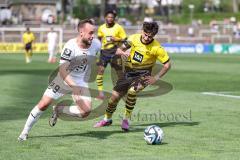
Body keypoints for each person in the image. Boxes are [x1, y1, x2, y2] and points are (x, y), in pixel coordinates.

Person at [18, 19, 101, 141]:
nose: (93, 36)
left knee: (86, 111)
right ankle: (24, 133)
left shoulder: (96, 44)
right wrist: (74, 87)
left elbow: (109, 50)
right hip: (63, 79)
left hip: (80, 81)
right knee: (44, 104)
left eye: (94, 32)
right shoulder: (70, 46)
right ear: (81, 32)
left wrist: (121, 51)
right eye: (90, 33)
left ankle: (58, 110)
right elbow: (63, 71)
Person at [94, 21, 171, 131]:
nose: (147, 38)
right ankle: (107, 119)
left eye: (150, 36)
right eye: (145, 34)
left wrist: (156, 77)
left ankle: (126, 120)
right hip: (129, 72)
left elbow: (167, 64)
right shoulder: (133, 38)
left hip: (144, 74)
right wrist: (122, 52)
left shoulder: (157, 48)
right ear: (142, 31)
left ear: (154, 36)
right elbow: (118, 49)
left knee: (132, 91)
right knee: (114, 98)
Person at [96, 10, 127, 100]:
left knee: (119, 74)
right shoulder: (101, 28)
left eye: (112, 17)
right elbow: (98, 38)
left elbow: (125, 39)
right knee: (100, 71)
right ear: (105, 17)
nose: (110, 19)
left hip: (115, 52)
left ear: (114, 18)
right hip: (104, 52)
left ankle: (120, 92)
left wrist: (116, 39)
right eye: (108, 17)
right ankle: (100, 94)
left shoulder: (118, 27)